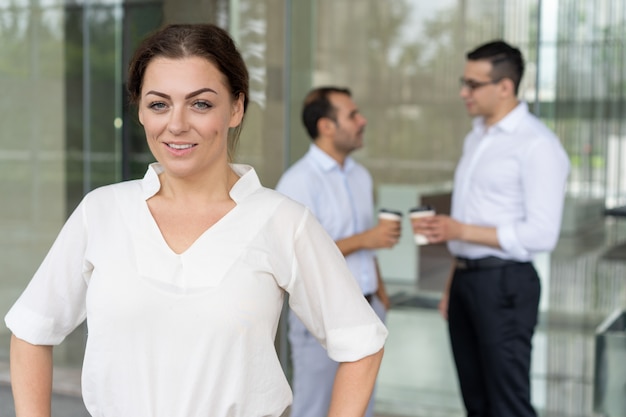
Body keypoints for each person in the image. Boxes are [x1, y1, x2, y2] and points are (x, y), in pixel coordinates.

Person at [4, 24, 388, 417]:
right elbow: (31, 331)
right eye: (159, 104)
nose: (177, 124)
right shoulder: (101, 211)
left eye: (200, 104)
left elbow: (361, 342)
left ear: (236, 107)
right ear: (140, 110)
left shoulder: (283, 221)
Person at [411, 40, 570, 417]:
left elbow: (541, 234)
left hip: (506, 285)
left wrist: (459, 230)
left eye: (473, 84)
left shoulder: (537, 145)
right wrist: (453, 283)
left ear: (505, 87)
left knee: (508, 404)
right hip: (467, 281)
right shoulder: (476, 138)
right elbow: (471, 217)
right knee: (477, 401)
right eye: (463, 82)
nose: (463, 93)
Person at [275, 86, 400, 417]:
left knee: (360, 409)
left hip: (367, 309)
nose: (363, 121)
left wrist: (381, 294)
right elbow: (293, 258)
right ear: (326, 126)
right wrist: (365, 239)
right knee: (314, 409)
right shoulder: (298, 181)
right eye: (353, 115)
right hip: (321, 320)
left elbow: (368, 248)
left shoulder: (361, 176)